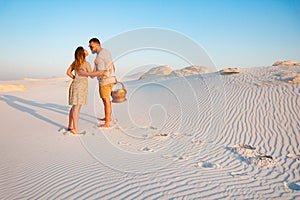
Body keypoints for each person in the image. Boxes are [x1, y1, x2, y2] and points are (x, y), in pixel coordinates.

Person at [79, 38, 116, 128]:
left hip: (105, 81)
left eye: (91, 46)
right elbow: (112, 65)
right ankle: (108, 118)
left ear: (97, 45)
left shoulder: (99, 57)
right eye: (89, 47)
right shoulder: (106, 52)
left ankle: (107, 122)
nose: (90, 49)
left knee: (106, 100)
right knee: (106, 100)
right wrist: (114, 76)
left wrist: (85, 73)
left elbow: (101, 72)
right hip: (110, 79)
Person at [66, 46, 92, 134]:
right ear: (83, 53)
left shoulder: (75, 62)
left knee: (74, 107)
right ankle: (75, 129)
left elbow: (68, 72)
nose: (86, 50)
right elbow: (91, 74)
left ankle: (70, 125)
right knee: (77, 108)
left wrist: (75, 78)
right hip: (81, 86)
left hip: (75, 84)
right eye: (84, 50)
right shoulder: (86, 63)